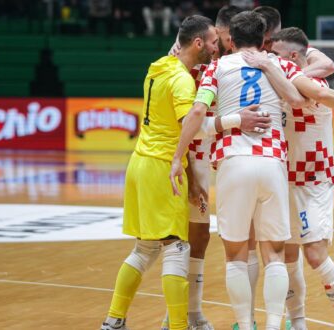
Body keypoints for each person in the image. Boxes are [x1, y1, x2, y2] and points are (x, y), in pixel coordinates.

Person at [170, 11, 308, 330]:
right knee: (273, 252)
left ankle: (245, 326)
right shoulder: (280, 65)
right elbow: (299, 98)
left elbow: (197, 111)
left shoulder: (217, 68)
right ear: (264, 40)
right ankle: (274, 325)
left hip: (233, 162)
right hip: (272, 162)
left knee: (235, 255)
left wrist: (179, 156)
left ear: (230, 39)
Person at [242, 27, 334, 330]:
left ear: (292, 57)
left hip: (314, 178)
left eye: (277, 54)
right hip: (285, 178)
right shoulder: (280, 79)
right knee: (289, 255)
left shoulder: (306, 80)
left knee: (315, 255)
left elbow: (322, 90)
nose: (271, 58)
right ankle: (299, 322)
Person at [99, 15, 219, 330]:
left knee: (145, 248)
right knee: (178, 247)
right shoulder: (181, 80)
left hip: (138, 162)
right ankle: (179, 326)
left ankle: (114, 320)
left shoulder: (157, 66)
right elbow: (187, 133)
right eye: (212, 42)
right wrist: (193, 181)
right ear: (197, 43)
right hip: (162, 167)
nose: (215, 48)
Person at [161, 5, 247, 330]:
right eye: (223, 40)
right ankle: (179, 314)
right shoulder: (185, 61)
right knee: (177, 238)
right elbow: (190, 118)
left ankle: (189, 312)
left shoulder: (218, 58)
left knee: (200, 237)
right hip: (185, 150)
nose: (223, 46)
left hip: (205, 150)